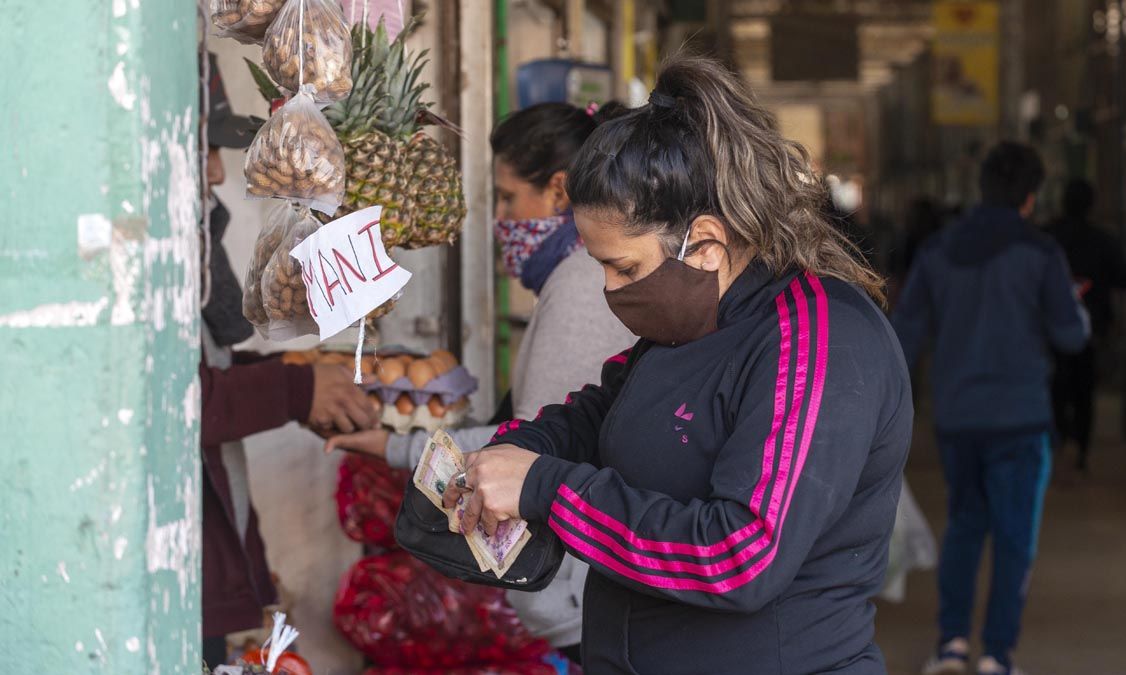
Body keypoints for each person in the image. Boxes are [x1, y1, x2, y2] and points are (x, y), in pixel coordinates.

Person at [432, 55, 912, 674]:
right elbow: (600, 414)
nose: (608, 289)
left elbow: (741, 559)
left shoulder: (820, 342)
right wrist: (513, 452)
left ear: (705, 243)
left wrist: (547, 488)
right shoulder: (692, 319)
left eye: (624, 268)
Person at [326, 102, 634, 663]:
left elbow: (535, 444)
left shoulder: (579, 283)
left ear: (559, 192)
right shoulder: (574, 277)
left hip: (576, 592)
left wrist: (397, 447)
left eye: (508, 197)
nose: (500, 217)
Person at [198, 54, 378, 667]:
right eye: (204, 151)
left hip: (213, 551)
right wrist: (297, 390)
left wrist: (302, 382)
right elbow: (180, 401)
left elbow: (208, 371)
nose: (217, 172)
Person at [891, 142, 1090, 675]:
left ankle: (951, 645)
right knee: (1014, 538)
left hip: (958, 418)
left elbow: (903, 337)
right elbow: (1070, 336)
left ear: (980, 188)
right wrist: (1074, 307)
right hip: (1021, 419)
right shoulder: (1041, 252)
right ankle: (997, 656)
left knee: (964, 525)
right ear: (1030, 197)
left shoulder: (937, 250)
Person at [1048, 179, 1126, 474]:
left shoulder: (1047, 238)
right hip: (1091, 329)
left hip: (1051, 328)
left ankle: (1060, 439)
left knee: (1056, 385)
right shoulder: (1103, 241)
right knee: (1084, 390)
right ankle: (1081, 448)